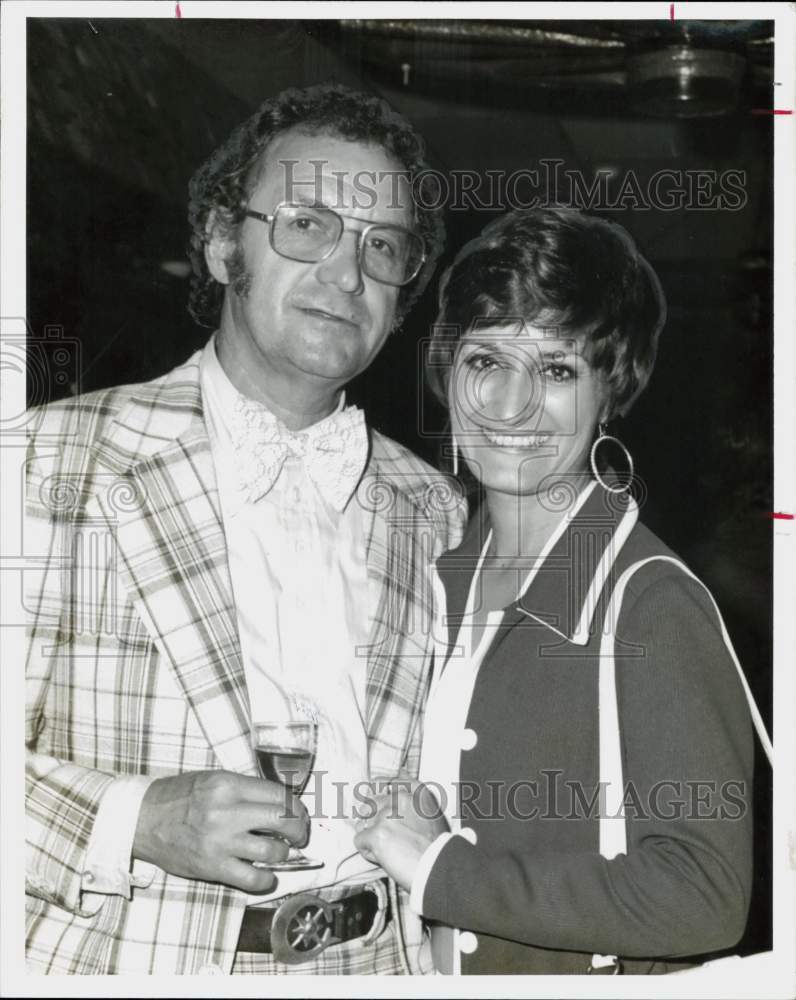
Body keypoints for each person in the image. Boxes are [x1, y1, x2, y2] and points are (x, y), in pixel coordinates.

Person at [25, 83, 466, 975]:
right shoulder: (46, 456)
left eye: (382, 246)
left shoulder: (441, 512)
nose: (347, 274)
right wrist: (132, 819)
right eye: (306, 225)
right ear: (225, 243)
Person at [355, 208, 757, 974]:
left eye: (559, 370)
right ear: (446, 374)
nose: (512, 407)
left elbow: (706, 892)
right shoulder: (440, 574)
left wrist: (445, 871)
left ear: (612, 392)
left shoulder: (648, 601)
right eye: (485, 363)